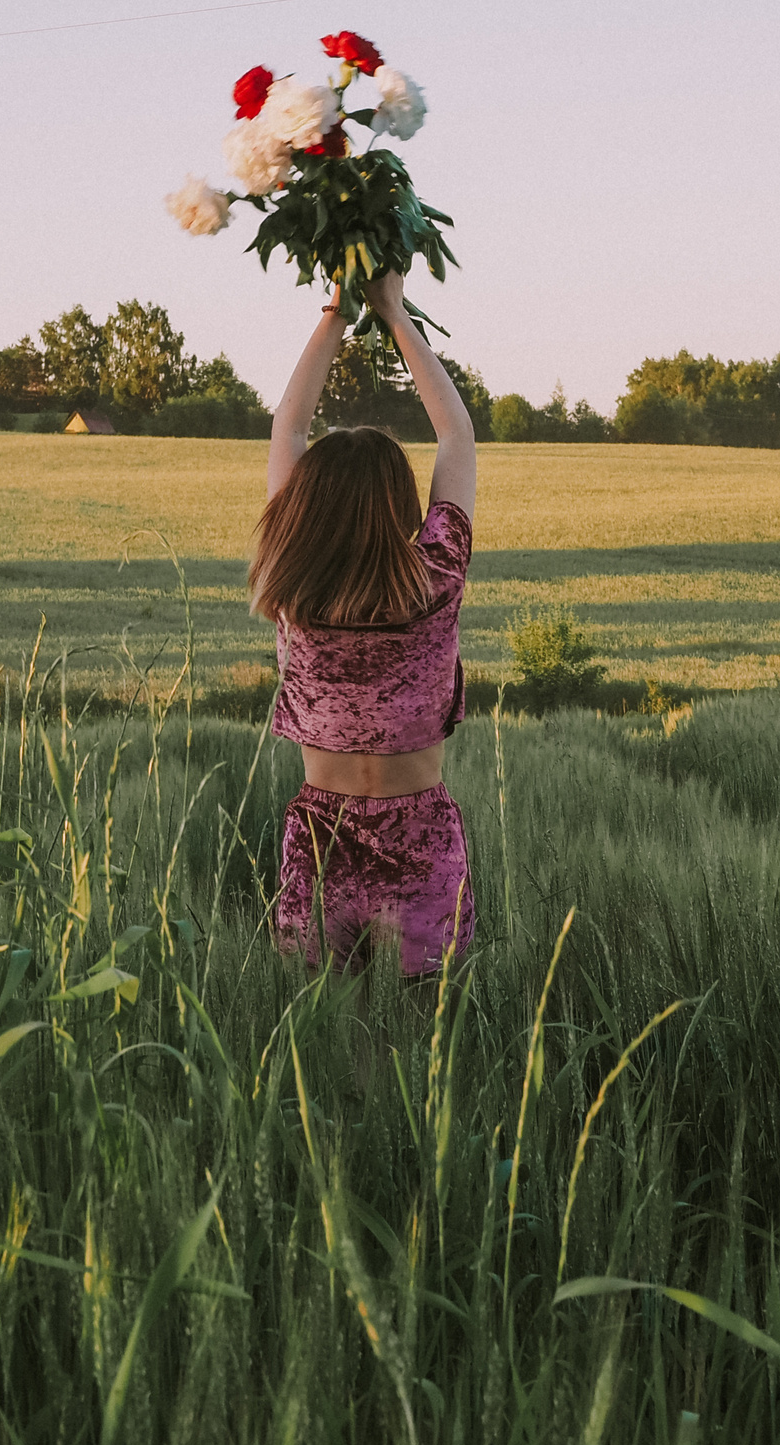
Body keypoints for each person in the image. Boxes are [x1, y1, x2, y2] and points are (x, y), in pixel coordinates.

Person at [252, 270, 478, 977]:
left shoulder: (294, 591)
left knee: (323, 1043)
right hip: (421, 838)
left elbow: (288, 425)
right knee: (424, 1044)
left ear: (305, 510)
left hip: (320, 838)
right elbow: (455, 436)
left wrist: (337, 314)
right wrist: (393, 311)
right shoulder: (436, 576)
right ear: (397, 504)